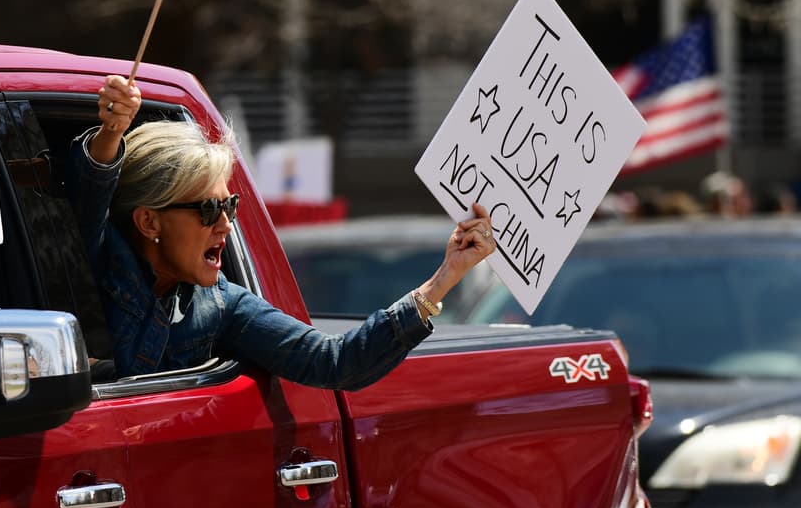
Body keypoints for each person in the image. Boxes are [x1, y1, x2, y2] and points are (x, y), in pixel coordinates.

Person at [62, 73, 496, 389]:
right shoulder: (98, 254)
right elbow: (93, 188)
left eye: (229, 205)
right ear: (148, 222)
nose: (226, 224)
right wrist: (112, 131)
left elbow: (334, 363)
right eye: (210, 208)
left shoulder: (221, 304)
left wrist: (446, 278)